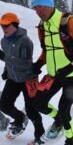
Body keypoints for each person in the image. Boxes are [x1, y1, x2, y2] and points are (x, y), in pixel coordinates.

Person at [31, 0, 73, 144]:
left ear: (50, 5)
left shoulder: (68, 21)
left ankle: (70, 140)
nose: (38, 11)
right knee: (38, 103)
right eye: (35, 7)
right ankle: (58, 120)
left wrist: (71, 66)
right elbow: (48, 50)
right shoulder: (42, 25)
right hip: (54, 76)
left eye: (41, 6)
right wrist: (38, 63)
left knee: (64, 109)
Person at [0, 12, 45, 142]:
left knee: (32, 110)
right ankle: (19, 119)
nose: (4, 28)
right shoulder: (3, 41)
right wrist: (6, 70)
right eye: (2, 26)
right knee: (4, 105)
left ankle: (39, 137)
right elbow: (10, 59)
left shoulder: (25, 41)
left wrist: (4, 58)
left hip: (27, 79)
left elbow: (25, 64)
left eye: (6, 25)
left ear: (15, 25)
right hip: (13, 78)